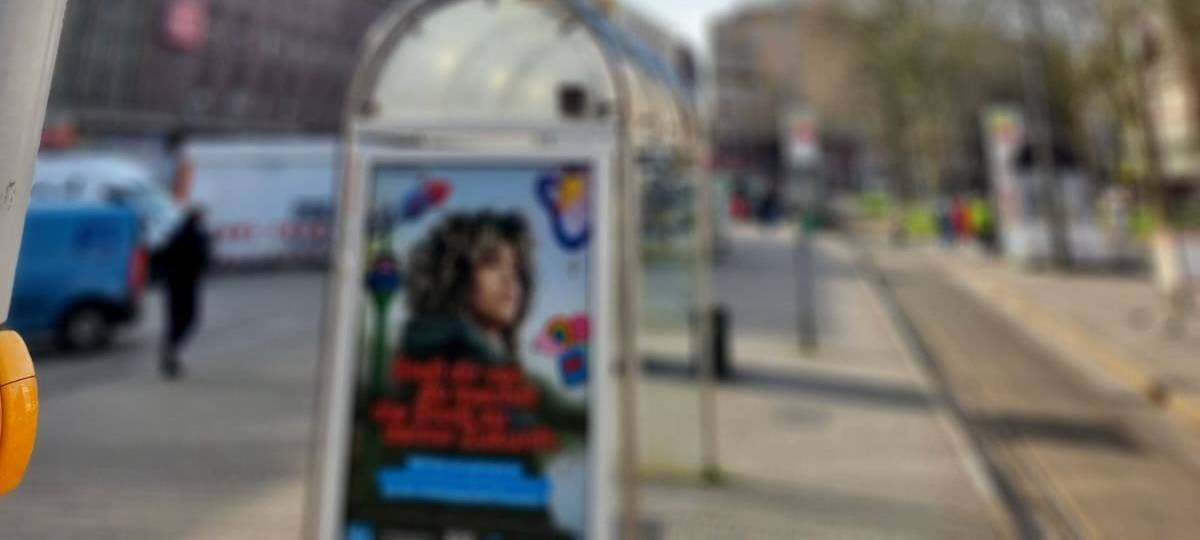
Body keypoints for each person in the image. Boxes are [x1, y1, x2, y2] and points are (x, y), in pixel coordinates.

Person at [155, 207, 211, 379]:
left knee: (174, 321)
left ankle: (169, 355)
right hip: (188, 285)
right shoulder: (198, 238)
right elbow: (203, 262)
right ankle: (171, 354)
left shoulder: (174, 236)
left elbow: (160, 257)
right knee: (189, 319)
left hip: (172, 286)